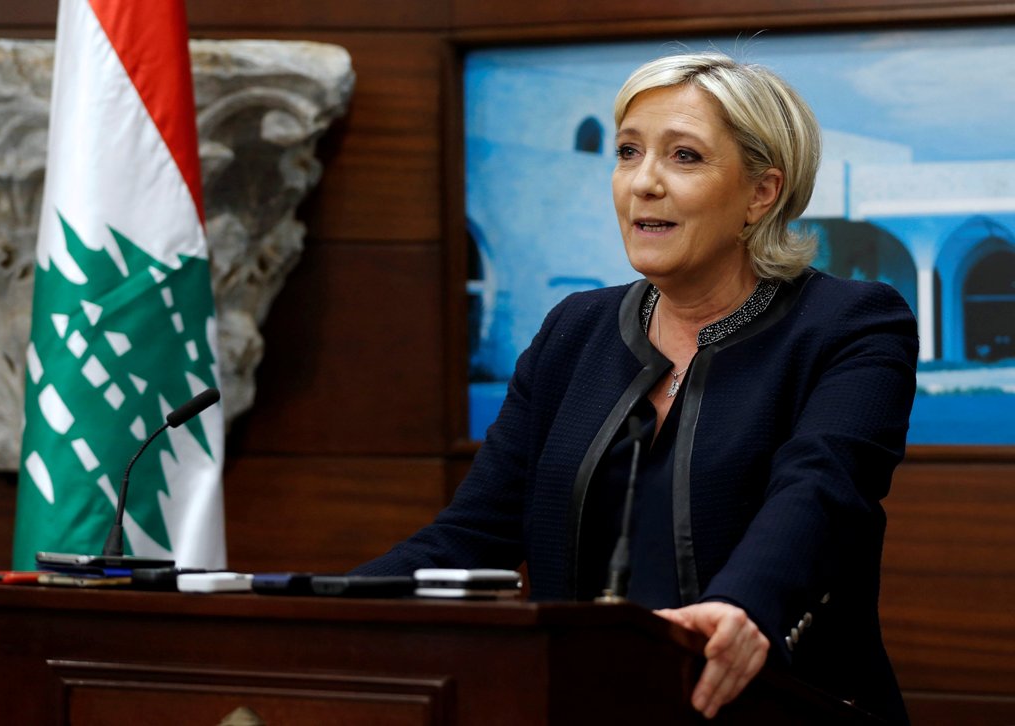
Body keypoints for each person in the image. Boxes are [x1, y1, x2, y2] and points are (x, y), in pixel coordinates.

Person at [353, 52, 917, 724]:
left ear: (761, 193)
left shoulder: (851, 323)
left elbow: (822, 491)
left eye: (684, 157)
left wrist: (744, 605)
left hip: (777, 706)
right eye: (627, 151)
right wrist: (311, 602)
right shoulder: (575, 330)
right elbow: (472, 534)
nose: (642, 182)